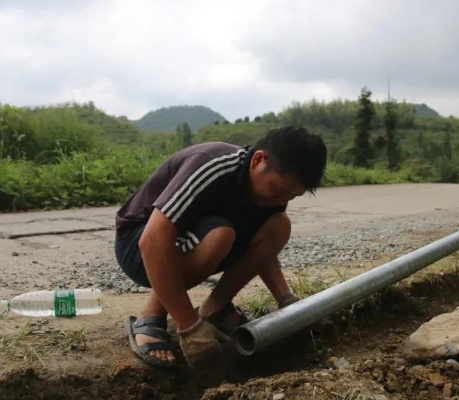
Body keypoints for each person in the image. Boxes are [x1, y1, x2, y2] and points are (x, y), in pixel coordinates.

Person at [114, 126, 327, 368]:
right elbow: (152, 240)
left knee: (278, 226)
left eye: (291, 196)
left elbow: (264, 248)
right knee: (220, 235)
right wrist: (188, 327)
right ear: (258, 160)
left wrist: (285, 298)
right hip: (137, 245)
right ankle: (151, 316)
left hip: (186, 241)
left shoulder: (270, 193)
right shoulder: (212, 166)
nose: (282, 200)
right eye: (280, 190)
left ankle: (213, 311)